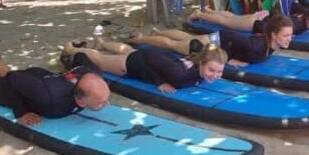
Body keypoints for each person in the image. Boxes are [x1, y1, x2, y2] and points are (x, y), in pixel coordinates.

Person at [0, 43, 110, 126]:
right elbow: (14, 78)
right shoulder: (51, 99)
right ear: (81, 101)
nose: (107, 103)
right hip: (31, 84)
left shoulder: (94, 75)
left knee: (4, 71)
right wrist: (21, 112)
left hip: (39, 79)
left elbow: (81, 56)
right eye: (102, 101)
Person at [61, 38, 228, 93]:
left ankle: (101, 41)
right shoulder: (180, 75)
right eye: (211, 70)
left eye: (219, 72)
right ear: (201, 63)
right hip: (133, 65)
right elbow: (150, 56)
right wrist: (159, 81)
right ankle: (71, 49)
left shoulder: (197, 69)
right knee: (101, 60)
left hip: (142, 58)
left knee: (127, 49)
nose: (215, 75)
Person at [130, 15, 294, 67]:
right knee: (173, 45)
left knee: (185, 38)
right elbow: (227, 34)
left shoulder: (269, 45)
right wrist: (228, 58)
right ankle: (141, 38)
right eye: (286, 35)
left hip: (214, 41)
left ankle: (157, 31)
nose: (289, 39)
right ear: (273, 35)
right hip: (211, 44)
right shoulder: (256, 46)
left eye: (290, 35)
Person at [188, 3, 309, 36]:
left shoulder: (303, 15)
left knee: (233, 17)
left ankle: (211, 11)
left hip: (259, 18)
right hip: (256, 23)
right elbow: (278, 20)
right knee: (225, 22)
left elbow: (291, 7)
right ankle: (199, 15)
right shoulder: (297, 24)